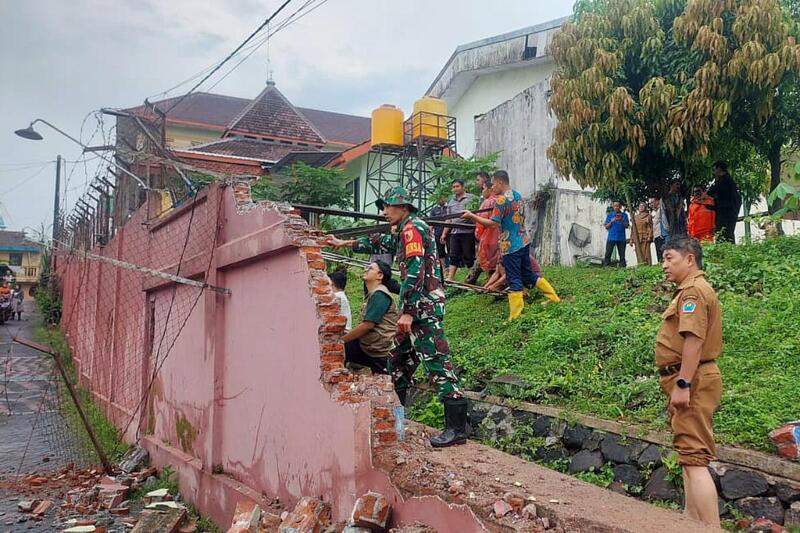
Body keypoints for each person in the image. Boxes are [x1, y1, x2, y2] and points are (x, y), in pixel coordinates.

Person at [325, 186, 467, 447]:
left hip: (422, 309)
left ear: (402, 207)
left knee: (437, 363)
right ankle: (395, 418)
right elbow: (381, 242)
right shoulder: (404, 230)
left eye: (388, 206)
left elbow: (414, 271)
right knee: (399, 363)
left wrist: (409, 312)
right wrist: (345, 242)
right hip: (414, 309)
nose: (384, 211)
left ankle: (457, 428)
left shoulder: (412, 229)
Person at [657, 237, 723, 527]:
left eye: (669, 258)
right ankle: (691, 522)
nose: (664, 265)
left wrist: (683, 385)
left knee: (695, 460)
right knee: (688, 456)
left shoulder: (694, 292)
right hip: (687, 379)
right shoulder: (688, 290)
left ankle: (710, 527)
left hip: (691, 381)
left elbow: (693, 340)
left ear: (690, 259)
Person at [462, 170, 560, 321]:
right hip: (523, 241)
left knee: (514, 278)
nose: (492, 187)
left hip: (510, 246)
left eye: (493, 184)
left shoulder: (501, 201)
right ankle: (553, 297)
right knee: (528, 274)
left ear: (500, 182)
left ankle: (515, 316)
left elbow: (493, 223)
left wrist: (471, 216)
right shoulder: (517, 195)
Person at [342, 261, 399, 375]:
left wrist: (342, 340)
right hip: (368, 345)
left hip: (377, 350)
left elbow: (367, 325)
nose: (366, 270)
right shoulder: (373, 293)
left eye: (370, 268)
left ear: (380, 275)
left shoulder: (380, 295)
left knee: (341, 347)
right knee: (340, 350)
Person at [440, 179, 475, 281]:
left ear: (463, 187)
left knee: (468, 255)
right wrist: (444, 234)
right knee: (453, 255)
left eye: (457, 186)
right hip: (455, 232)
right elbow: (449, 219)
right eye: (454, 187)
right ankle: (450, 277)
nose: (455, 189)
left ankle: (471, 277)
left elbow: (477, 214)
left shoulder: (471, 198)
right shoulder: (451, 202)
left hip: (468, 232)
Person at [474, 172, 500, 284]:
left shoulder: (488, 202)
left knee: (490, 262)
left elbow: (481, 223)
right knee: (498, 261)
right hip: (502, 236)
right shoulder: (503, 199)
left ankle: (493, 284)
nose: (482, 191)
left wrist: (478, 234)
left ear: (490, 189)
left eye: (484, 188)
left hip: (489, 237)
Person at [708, 161, 742, 243]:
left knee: (724, 233)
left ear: (719, 169)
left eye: (714, 170)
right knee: (726, 233)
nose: (713, 172)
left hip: (726, 212)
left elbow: (714, 193)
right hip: (727, 211)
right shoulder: (723, 181)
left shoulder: (725, 181)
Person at [603, 202, 630, 267]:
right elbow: (606, 227)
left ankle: (622, 267)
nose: (616, 207)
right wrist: (612, 221)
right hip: (611, 237)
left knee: (622, 254)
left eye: (618, 206)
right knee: (608, 253)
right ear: (613, 207)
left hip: (621, 238)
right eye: (615, 206)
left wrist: (622, 220)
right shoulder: (610, 215)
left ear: (620, 207)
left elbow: (627, 226)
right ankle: (606, 267)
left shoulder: (624, 215)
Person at [630, 202, 654, 266]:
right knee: (638, 253)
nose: (641, 207)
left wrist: (650, 236)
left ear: (645, 207)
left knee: (646, 254)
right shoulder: (635, 217)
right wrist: (631, 239)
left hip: (645, 237)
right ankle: (640, 266)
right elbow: (633, 229)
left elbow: (651, 227)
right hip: (637, 238)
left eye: (643, 206)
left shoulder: (648, 216)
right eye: (640, 206)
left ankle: (648, 266)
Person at [429, 196, 449, 272]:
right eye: (439, 198)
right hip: (437, 232)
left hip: (449, 232)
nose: (440, 200)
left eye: (442, 198)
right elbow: (431, 222)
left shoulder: (448, 208)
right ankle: (443, 268)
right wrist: (430, 233)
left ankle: (450, 267)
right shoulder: (434, 210)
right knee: (440, 251)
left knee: (450, 250)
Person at [651, 197, 666, 263]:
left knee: (662, 251)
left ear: (657, 201)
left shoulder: (661, 210)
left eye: (652, 202)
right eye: (650, 203)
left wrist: (662, 233)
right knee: (658, 253)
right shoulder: (653, 212)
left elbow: (663, 221)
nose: (651, 204)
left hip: (661, 234)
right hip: (656, 235)